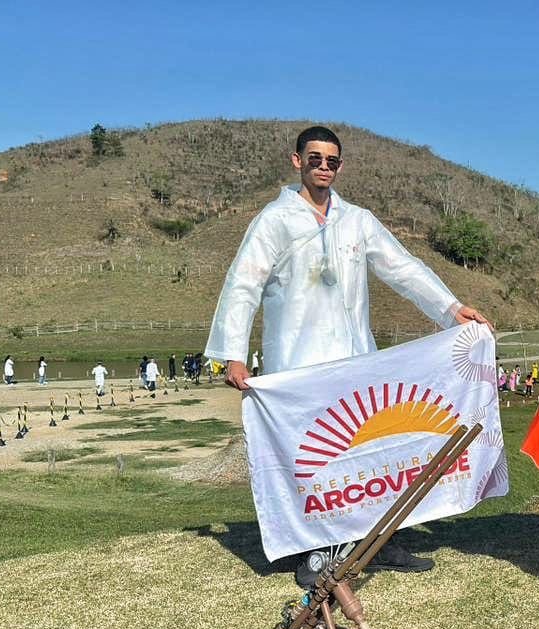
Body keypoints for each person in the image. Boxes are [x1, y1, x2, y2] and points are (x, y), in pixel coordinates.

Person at [204, 126, 490, 581]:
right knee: (313, 458)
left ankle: (382, 542)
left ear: (340, 166)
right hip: (300, 363)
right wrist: (232, 353)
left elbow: (403, 268)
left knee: (373, 450)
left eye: (331, 160)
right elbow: (243, 284)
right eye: (314, 158)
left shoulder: (357, 220)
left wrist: (451, 309)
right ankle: (314, 554)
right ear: (297, 161)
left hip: (356, 358)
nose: (323, 166)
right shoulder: (275, 220)